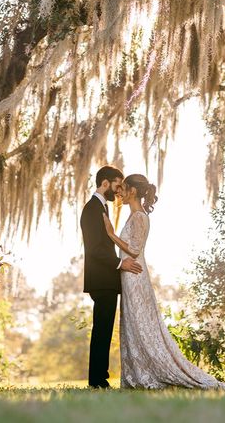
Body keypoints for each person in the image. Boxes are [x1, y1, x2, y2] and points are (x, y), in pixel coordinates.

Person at [103, 173, 225, 390]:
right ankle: (138, 373)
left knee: (143, 325)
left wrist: (111, 234)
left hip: (136, 277)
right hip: (128, 276)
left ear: (133, 191)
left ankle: (158, 371)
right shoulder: (132, 216)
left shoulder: (140, 216)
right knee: (133, 325)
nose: (119, 192)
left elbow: (135, 249)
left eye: (124, 187)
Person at [80, 165, 142, 389]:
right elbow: (94, 248)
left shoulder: (101, 208)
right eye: (116, 185)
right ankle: (98, 380)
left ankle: (98, 379)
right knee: (102, 331)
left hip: (107, 279)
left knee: (104, 331)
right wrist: (120, 263)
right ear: (105, 183)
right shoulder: (92, 209)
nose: (119, 190)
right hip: (101, 280)